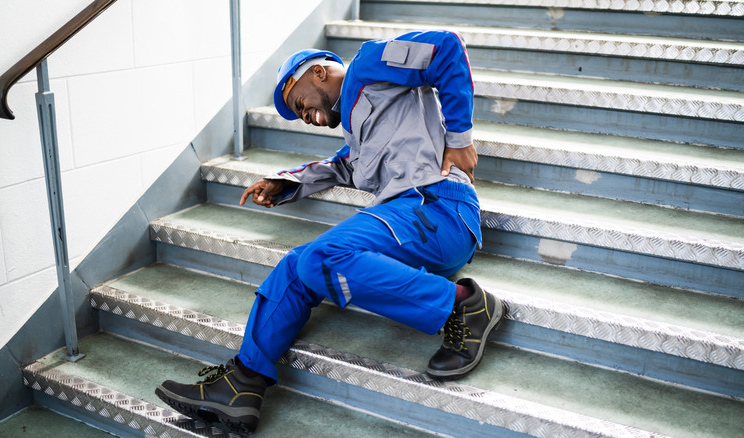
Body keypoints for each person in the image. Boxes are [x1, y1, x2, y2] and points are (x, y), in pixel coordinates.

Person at [156, 30, 503, 434]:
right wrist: (286, 182)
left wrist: (459, 138)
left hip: (439, 206)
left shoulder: (369, 64)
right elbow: (343, 165)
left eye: (299, 103)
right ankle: (243, 383)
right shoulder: (358, 131)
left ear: (317, 72)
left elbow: (445, 47)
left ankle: (463, 305)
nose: (305, 117)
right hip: (409, 221)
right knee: (295, 266)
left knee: (322, 256)